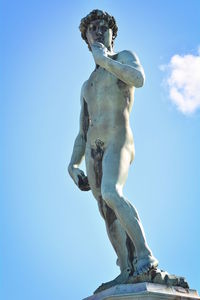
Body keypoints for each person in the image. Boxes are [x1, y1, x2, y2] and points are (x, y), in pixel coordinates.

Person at [68, 9, 158, 281]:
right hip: (94, 150)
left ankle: (145, 256)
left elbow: (138, 79)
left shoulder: (123, 58)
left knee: (111, 192)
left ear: (111, 34)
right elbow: (83, 131)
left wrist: (105, 61)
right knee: (106, 209)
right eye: (91, 28)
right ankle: (126, 269)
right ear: (86, 39)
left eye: (102, 27)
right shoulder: (87, 85)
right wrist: (72, 164)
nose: (97, 31)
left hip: (119, 139)